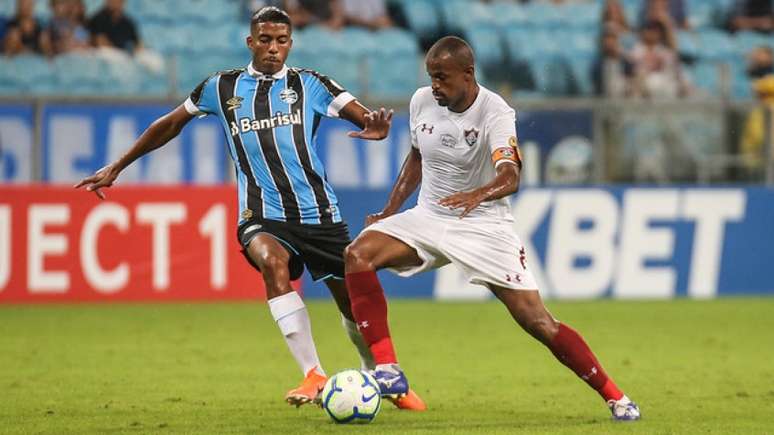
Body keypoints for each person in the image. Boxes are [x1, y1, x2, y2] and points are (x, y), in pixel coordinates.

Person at [74, 6, 425, 411]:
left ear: (290, 44)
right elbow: (168, 125)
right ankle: (313, 372)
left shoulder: (310, 84)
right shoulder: (221, 88)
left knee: (351, 303)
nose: (273, 48)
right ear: (250, 41)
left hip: (319, 215)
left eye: (280, 41)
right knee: (272, 264)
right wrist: (118, 165)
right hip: (260, 214)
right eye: (265, 40)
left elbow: (363, 116)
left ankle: (377, 376)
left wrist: (375, 127)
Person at [343, 36, 641, 421]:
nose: (435, 85)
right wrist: (389, 210)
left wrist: (479, 193)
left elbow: (510, 175)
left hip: (483, 226)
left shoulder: (495, 112)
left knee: (538, 322)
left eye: (442, 78)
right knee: (357, 254)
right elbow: (416, 158)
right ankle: (389, 370)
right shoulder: (421, 101)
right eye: (431, 77)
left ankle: (617, 397)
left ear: (468, 74)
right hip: (429, 217)